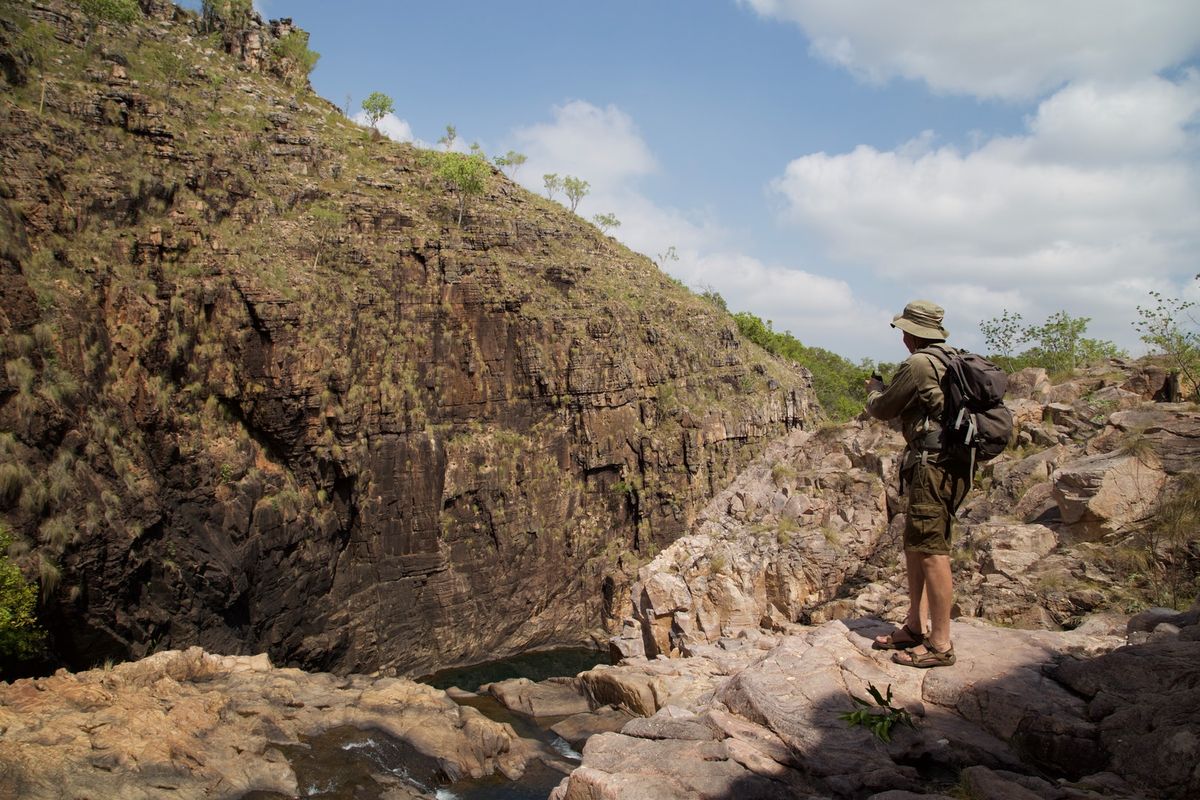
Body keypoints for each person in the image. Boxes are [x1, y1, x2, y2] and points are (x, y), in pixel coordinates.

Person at [865, 300, 970, 668]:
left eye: (905, 330)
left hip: (932, 465)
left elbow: (883, 409)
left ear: (913, 333)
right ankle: (914, 625)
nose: (903, 336)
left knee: (931, 551)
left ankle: (940, 644)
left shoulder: (918, 363)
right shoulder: (949, 357)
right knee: (917, 543)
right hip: (945, 464)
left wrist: (874, 390)